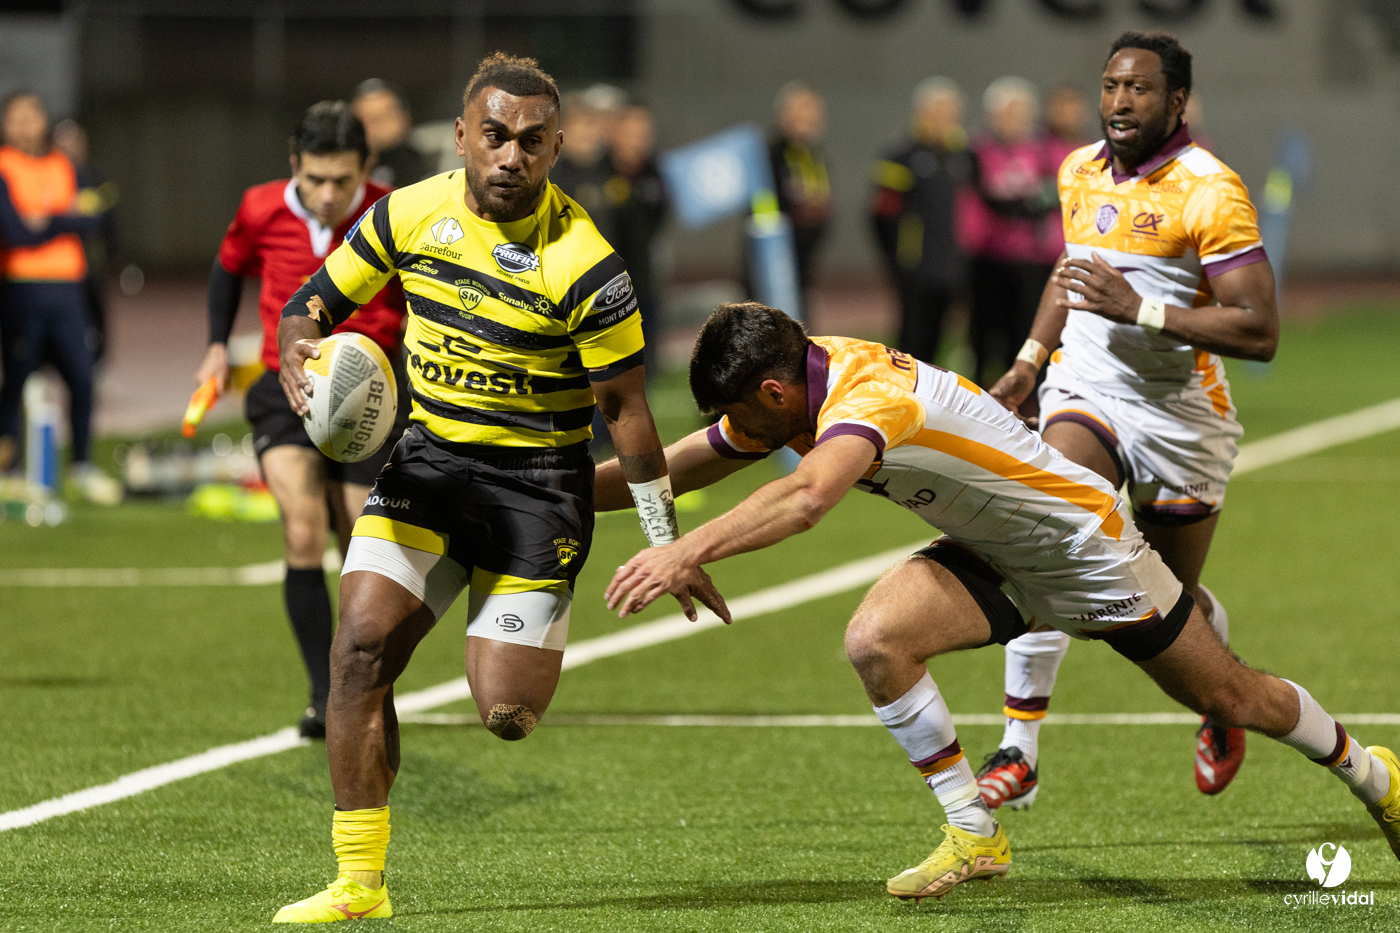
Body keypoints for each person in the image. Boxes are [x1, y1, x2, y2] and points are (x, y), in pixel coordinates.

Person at [600, 301, 1399, 904]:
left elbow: (808, 497)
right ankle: (974, 832)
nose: (735, 429)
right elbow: (683, 462)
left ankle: (1376, 776)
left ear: (773, 391)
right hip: (996, 555)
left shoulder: (868, 395)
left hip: (1085, 548)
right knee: (877, 639)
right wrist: (557, 493)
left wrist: (685, 549)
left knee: (1232, 696)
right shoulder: (796, 389)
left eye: (739, 412)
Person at [269, 53, 726, 923]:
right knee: (358, 651)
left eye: (530, 141)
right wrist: (299, 350)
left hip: (539, 493)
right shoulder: (408, 212)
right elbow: (314, 302)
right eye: (494, 136)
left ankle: (504, 592)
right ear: (461, 137)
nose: (510, 155)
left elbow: (626, 413)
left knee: (507, 712)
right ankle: (359, 882)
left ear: (556, 148)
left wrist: (668, 542)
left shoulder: (588, 266)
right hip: (429, 468)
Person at [982, 31, 1276, 809]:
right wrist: (1029, 361)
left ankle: (1223, 698)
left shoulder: (1211, 189)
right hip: (1086, 390)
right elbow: (1071, 270)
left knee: (1167, 605)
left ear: (1177, 101)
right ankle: (1018, 746)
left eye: (1139, 88)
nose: (1119, 100)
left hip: (1179, 415)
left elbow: (1259, 329)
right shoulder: (1077, 168)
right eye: (1111, 85)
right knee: (1046, 532)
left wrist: (1140, 308)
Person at [193, 101, 408, 739]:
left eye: (342, 180)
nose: (327, 194)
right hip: (283, 390)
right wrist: (215, 346)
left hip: (372, 396)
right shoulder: (260, 207)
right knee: (303, 528)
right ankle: (325, 695)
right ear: (294, 165)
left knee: (359, 538)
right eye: (315, 179)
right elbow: (227, 268)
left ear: (366, 168)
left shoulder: (393, 213)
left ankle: (366, 682)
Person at [0, 90, 119, 503]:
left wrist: (45, 220)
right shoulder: (4, 166)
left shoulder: (63, 165)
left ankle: (82, 465)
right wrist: (64, 219)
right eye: (16, 117)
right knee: (16, 381)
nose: (25, 124)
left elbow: (94, 218)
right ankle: (9, 468)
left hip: (69, 290)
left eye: (32, 115)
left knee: (83, 378)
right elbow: (15, 231)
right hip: (21, 288)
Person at [957, 77, 1060, 386]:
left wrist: (1027, 205)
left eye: (1022, 113)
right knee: (985, 333)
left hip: (1032, 257)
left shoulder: (1042, 149)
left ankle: (1024, 393)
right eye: (1009, 113)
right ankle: (979, 392)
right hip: (989, 256)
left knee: (1026, 332)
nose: (1017, 120)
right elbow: (984, 198)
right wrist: (1019, 204)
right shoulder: (977, 149)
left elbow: (1051, 194)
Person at [870, 76, 972, 367]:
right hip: (915, 265)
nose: (943, 119)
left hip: (955, 263)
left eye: (949, 112)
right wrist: (897, 259)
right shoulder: (901, 156)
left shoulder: (965, 157)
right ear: (921, 113)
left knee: (948, 338)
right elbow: (881, 214)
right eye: (937, 112)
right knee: (914, 340)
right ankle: (907, 392)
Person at [605, 104, 668, 380]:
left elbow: (661, 216)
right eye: (632, 133)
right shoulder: (600, 173)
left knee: (643, 364)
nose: (639, 140)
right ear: (616, 133)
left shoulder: (654, 172)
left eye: (644, 133)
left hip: (642, 278)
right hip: (604, 279)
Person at [51, 118, 119, 363]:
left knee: (94, 315)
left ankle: (93, 360)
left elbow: (109, 220)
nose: (70, 149)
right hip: (56, 266)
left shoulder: (95, 178)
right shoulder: (46, 178)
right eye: (63, 144)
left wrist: (115, 254)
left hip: (90, 263)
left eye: (75, 142)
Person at [765, 81, 832, 295]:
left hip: (806, 252)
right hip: (774, 257)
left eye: (814, 115)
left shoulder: (815, 156)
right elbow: (764, 206)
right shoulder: (770, 155)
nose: (811, 120)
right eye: (803, 114)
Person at [352, 79, 426, 189]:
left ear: (404, 118)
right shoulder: (347, 169)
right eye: (364, 120)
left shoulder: (420, 172)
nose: (371, 128)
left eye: (380, 118)